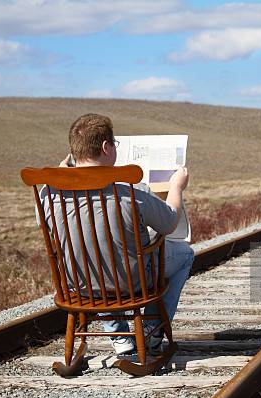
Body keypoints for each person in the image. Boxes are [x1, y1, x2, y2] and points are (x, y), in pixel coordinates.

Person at [50, 113, 193, 355]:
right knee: (186, 254)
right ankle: (151, 331)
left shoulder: (48, 193)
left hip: (78, 283)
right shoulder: (131, 191)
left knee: (95, 256)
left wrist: (62, 175)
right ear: (106, 147)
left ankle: (121, 339)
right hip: (131, 282)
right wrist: (176, 186)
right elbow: (169, 223)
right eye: (114, 144)